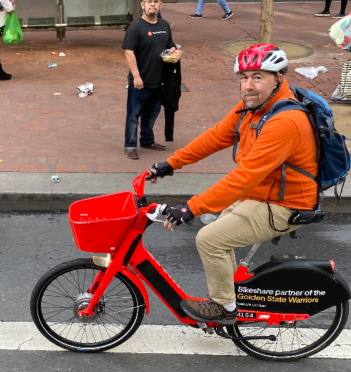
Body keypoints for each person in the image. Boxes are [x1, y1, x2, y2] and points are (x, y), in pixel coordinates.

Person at [148, 44, 317, 325]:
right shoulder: (254, 106)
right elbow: (216, 136)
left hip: (285, 204)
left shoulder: (286, 120)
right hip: (262, 193)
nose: (248, 86)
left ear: (279, 77)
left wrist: (191, 208)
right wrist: (172, 163)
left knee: (209, 239)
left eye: (258, 77)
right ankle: (232, 295)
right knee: (217, 231)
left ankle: (225, 307)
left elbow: (245, 176)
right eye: (243, 77)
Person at [122, 0, 176, 160]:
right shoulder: (135, 28)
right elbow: (128, 53)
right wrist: (136, 77)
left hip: (158, 81)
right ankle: (130, 145)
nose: (152, 4)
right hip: (139, 83)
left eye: (156, 2)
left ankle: (147, 141)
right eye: (149, 1)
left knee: (151, 115)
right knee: (133, 116)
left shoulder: (165, 25)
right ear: (143, 5)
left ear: (161, 5)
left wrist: (173, 48)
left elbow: (169, 43)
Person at [161, 59, 181, 142]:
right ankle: (147, 139)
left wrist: (172, 47)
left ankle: (169, 136)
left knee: (169, 106)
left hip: (170, 79)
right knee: (150, 110)